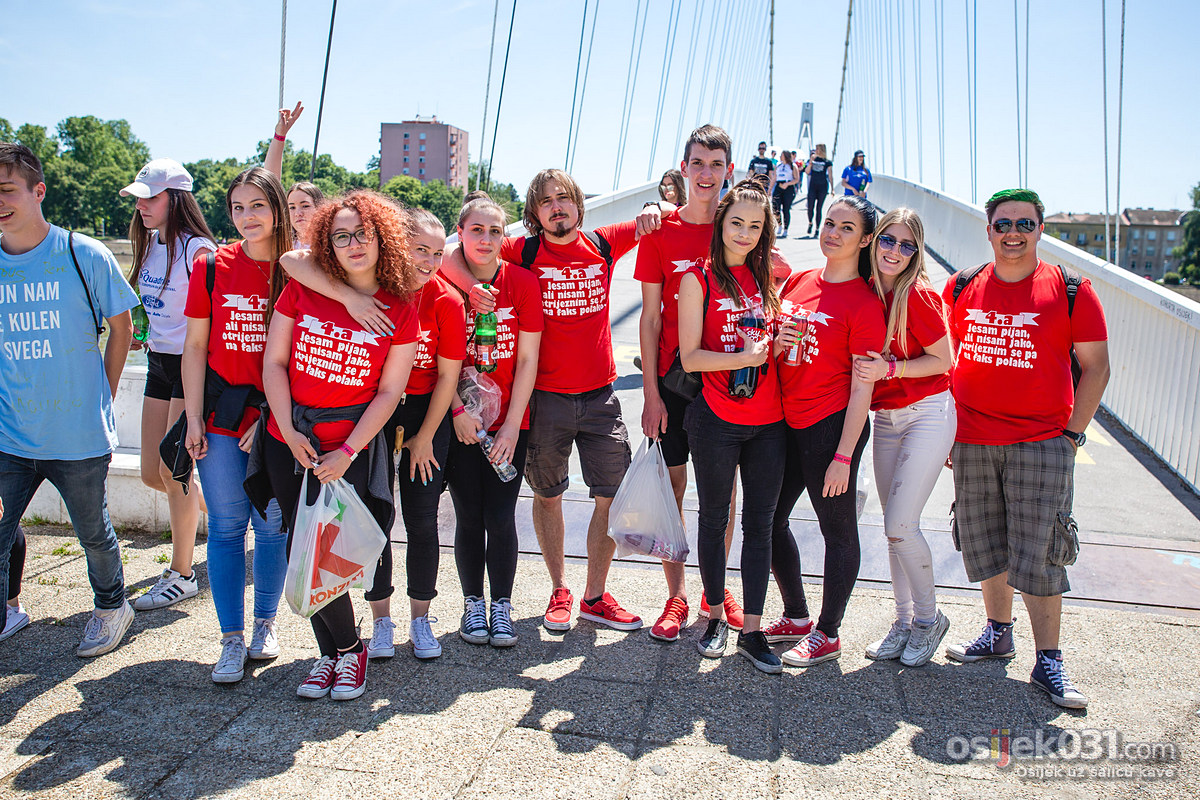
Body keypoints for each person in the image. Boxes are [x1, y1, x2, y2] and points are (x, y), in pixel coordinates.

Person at [440, 169, 658, 634]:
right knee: (548, 494)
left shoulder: (604, 243)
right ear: (534, 214)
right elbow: (449, 253)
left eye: (563, 198)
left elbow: (668, 216)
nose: (556, 207)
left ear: (578, 203)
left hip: (601, 396)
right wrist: (471, 288)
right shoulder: (522, 250)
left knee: (611, 495)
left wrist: (656, 207)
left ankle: (594, 596)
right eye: (545, 201)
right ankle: (559, 589)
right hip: (546, 398)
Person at [941, 188, 1109, 709]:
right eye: (1003, 224)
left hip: (1042, 441)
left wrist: (1071, 436)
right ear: (989, 230)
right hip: (972, 439)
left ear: (1040, 230)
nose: (1013, 233)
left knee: (1041, 550)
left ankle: (1049, 660)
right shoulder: (961, 286)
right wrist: (946, 430)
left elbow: (1097, 368)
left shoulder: (1071, 289)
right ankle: (998, 633)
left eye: (1025, 224)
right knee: (985, 541)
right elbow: (942, 358)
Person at [254, 190, 418, 700]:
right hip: (291, 440)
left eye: (362, 234)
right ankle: (337, 654)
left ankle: (347, 652)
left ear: (382, 238)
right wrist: (288, 431)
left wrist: (347, 452)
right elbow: (274, 363)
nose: (353, 244)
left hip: (351, 447)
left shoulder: (400, 307)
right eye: (341, 236)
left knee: (334, 555)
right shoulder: (303, 290)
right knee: (301, 547)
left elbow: (390, 391)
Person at [0, 143, 139, 656]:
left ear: (38, 191)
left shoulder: (83, 254)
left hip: (78, 434)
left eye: (7, 190)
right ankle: (9, 610)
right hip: (10, 433)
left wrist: (104, 392)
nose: (0, 203)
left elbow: (122, 328)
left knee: (93, 534)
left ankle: (111, 607)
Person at [636, 125, 746, 643]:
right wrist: (650, 395)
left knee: (722, 493)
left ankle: (714, 591)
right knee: (673, 489)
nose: (706, 173)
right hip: (673, 383)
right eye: (697, 163)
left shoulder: (740, 227)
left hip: (726, 382)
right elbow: (650, 318)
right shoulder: (660, 231)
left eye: (716, 164)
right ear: (683, 169)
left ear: (729, 170)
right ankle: (677, 595)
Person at [181, 166, 290, 683]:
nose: (247, 217)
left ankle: (265, 625)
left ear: (278, 210)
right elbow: (195, 347)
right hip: (222, 416)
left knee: (271, 527)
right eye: (238, 207)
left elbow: (308, 355)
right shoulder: (211, 266)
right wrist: (192, 417)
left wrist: (272, 417)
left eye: (258, 206)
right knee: (226, 528)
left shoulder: (298, 270)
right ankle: (230, 638)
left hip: (277, 420)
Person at [767, 195, 885, 668]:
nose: (833, 233)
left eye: (847, 228)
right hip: (785, 421)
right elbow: (777, 346)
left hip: (829, 427)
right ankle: (796, 615)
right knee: (768, 520)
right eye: (830, 223)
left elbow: (861, 389)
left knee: (837, 532)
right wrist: (777, 344)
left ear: (866, 240)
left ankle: (828, 632)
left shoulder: (865, 303)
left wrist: (843, 456)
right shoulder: (799, 280)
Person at [677, 176, 785, 674]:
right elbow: (690, 358)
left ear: (765, 232)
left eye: (754, 226)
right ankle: (716, 617)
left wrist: (779, 346)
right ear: (720, 223)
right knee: (714, 519)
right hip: (716, 418)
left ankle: (754, 631)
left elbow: (769, 347)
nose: (744, 233)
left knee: (760, 524)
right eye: (736, 222)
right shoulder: (697, 279)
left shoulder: (770, 279)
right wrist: (742, 356)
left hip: (770, 421)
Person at [851, 208, 955, 667]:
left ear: (916, 252)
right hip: (887, 419)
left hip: (927, 414)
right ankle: (904, 620)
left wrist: (890, 368)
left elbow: (944, 359)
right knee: (893, 529)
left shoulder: (919, 295)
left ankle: (930, 620)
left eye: (907, 245)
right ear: (874, 241)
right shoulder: (867, 291)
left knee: (900, 525)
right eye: (888, 240)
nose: (895, 251)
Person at [119, 158, 217, 612]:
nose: (141, 205)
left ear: (176, 199)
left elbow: (210, 319)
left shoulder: (199, 250)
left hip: (190, 366)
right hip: (158, 361)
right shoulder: (149, 243)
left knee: (172, 471)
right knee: (149, 472)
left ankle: (182, 574)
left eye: (150, 197)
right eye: (138, 198)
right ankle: (231, 515)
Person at [446, 194, 543, 648]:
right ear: (460, 233)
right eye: (476, 230)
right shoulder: (443, 283)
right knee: (468, 513)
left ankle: (501, 605)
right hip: (460, 421)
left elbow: (527, 360)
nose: (485, 239)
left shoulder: (521, 283)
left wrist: (511, 425)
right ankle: (473, 605)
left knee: (501, 515)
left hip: (508, 423)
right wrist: (456, 411)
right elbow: (434, 361)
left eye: (495, 231)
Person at [804, 143, 834, 235]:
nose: (815, 150)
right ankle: (810, 223)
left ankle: (817, 228)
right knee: (810, 207)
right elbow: (807, 171)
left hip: (822, 186)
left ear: (821, 150)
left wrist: (832, 189)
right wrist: (810, 162)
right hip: (813, 186)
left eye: (817, 149)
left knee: (819, 208)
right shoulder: (813, 159)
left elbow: (830, 175)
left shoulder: (827, 162)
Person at [771, 150, 800, 238]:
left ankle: (786, 229)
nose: (780, 156)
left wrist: (787, 184)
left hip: (788, 188)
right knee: (775, 207)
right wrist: (770, 189)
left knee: (786, 209)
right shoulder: (778, 165)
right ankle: (779, 224)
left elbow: (796, 179)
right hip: (778, 186)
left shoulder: (792, 166)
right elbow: (774, 177)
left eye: (782, 155)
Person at [287, 182, 324, 249]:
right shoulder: (282, 247)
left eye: (305, 206)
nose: (298, 213)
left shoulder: (334, 246)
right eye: (292, 207)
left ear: (319, 207)